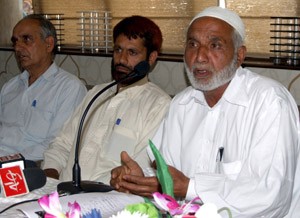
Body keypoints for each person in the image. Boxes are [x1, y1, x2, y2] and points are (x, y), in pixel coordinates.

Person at [110, 7, 300, 217]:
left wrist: (190, 187)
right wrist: (141, 180)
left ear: (239, 56)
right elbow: (169, 172)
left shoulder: (269, 102)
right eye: (192, 44)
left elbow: (271, 195)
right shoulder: (182, 105)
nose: (199, 56)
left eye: (214, 45)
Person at [41, 15, 171, 185]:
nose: (121, 59)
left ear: (151, 58)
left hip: (107, 200)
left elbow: (139, 169)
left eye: (132, 52)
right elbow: (62, 144)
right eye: (118, 50)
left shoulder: (159, 105)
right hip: (60, 192)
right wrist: (49, 180)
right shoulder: (96, 93)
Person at [0, 14, 87, 161]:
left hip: (29, 166)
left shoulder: (69, 88)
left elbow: (57, 145)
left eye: (26, 39)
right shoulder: (10, 87)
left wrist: (11, 160)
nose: (18, 48)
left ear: (49, 44)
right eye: (15, 42)